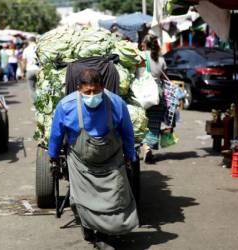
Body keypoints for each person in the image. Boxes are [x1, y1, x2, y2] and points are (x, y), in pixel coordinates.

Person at [48, 68, 139, 247]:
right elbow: (56, 134)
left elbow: (128, 133)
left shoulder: (116, 103)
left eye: (96, 91)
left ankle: (108, 232)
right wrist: (53, 156)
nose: (92, 95)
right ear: (78, 88)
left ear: (103, 87)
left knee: (115, 197)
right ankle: (90, 230)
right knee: (81, 199)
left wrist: (130, 155)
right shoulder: (66, 105)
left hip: (112, 160)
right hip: (80, 161)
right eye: (87, 92)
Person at [140, 34, 167, 163]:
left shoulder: (140, 56)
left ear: (145, 44)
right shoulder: (161, 59)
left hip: (143, 94)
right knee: (154, 123)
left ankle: (145, 147)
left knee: (141, 122)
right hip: (158, 94)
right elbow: (163, 76)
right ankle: (149, 146)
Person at [22, 37, 39, 102]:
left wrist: (23, 72)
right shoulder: (39, 48)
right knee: (41, 88)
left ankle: (35, 105)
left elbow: (24, 62)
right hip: (39, 70)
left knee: (32, 89)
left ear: (29, 41)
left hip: (29, 70)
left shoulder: (26, 49)